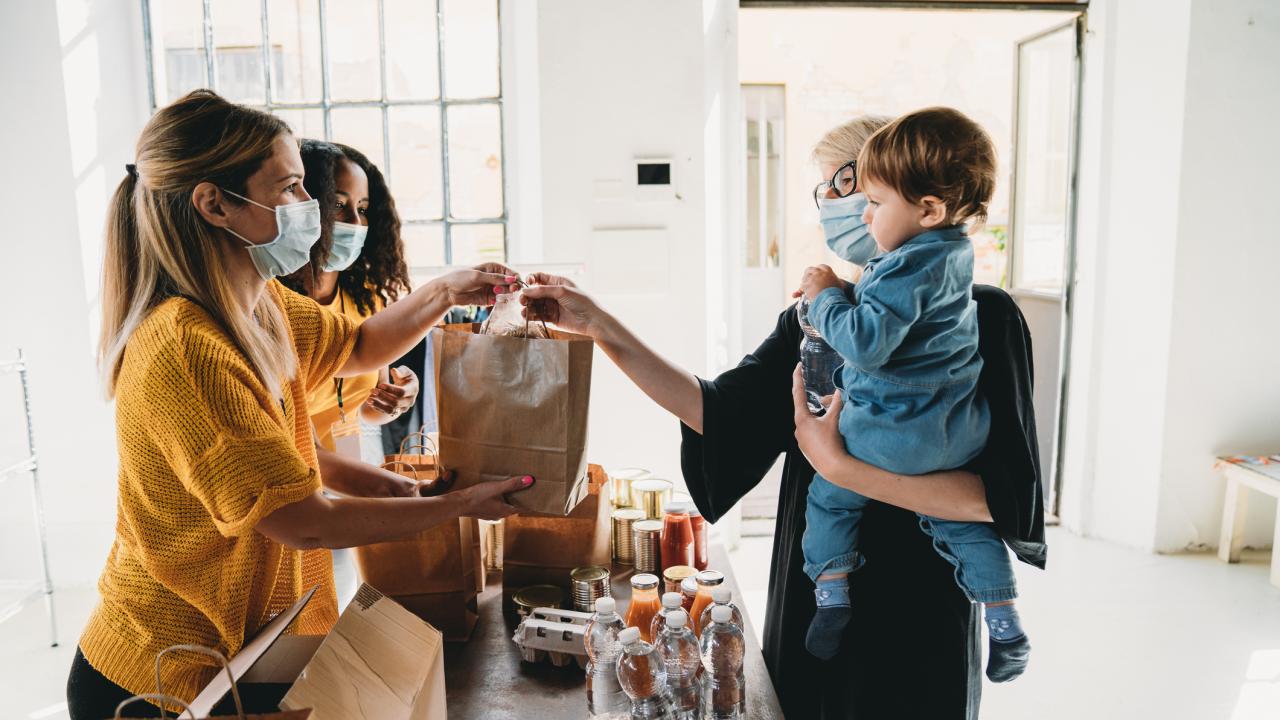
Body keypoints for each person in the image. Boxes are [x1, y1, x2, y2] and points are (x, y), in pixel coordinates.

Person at [520, 114, 1045, 719]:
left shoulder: (985, 318)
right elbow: (716, 412)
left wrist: (838, 467)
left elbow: (1001, 499)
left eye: (842, 187)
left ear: (910, 193)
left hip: (921, 608)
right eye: (823, 191)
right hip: (818, 598)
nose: (833, 207)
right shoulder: (815, 319)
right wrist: (596, 325)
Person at [67, 90, 533, 720]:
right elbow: (303, 521)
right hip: (161, 673)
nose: (309, 207)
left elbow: (360, 343)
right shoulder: (184, 344)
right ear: (215, 204)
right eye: (289, 188)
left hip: (245, 647)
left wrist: (448, 290)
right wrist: (456, 508)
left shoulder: (257, 305)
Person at [795, 107, 1030, 681]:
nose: (862, 214)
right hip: (955, 437)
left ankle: (830, 592)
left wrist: (826, 297)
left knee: (829, 495)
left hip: (890, 433)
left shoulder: (903, 267)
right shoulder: (955, 257)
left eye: (870, 201)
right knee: (965, 528)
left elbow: (868, 343)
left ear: (928, 208)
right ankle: (1002, 617)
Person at [278, 140, 422, 502]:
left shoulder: (367, 297)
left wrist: (398, 398)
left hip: (353, 475)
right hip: (293, 486)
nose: (356, 223)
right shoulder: (271, 304)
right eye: (339, 206)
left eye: (363, 208)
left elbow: (369, 410)